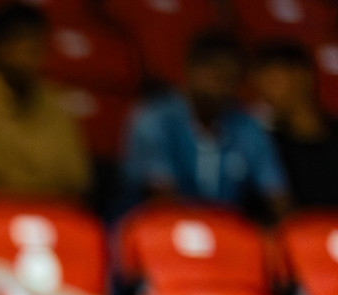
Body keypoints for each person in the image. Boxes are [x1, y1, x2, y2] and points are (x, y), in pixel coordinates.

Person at [120, 33, 290, 218]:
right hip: (158, 230)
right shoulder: (154, 119)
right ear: (190, 68)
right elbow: (160, 201)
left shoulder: (247, 127)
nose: (222, 87)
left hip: (227, 233)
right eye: (216, 75)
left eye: (231, 79)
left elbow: (276, 195)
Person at [0, 3, 92, 200]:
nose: (31, 53)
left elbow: (76, 177)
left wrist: (17, 179)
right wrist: (38, 181)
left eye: (37, 43)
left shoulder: (56, 104)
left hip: (52, 210)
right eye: (21, 42)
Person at [251, 43, 338, 209]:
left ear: (303, 76)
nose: (266, 93)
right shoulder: (266, 147)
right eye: (261, 85)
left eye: (273, 81)